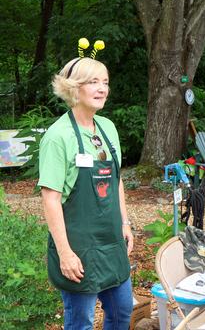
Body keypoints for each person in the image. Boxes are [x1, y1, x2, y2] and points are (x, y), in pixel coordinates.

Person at [39, 52, 134, 329]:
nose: (102, 88)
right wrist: (65, 252)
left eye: (105, 82)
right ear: (73, 88)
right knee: (82, 322)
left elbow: (116, 179)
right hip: (78, 246)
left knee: (122, 312)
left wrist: (125, 223)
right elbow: (51, 198)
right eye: (93, 81)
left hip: (112, 242)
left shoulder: (108, 127)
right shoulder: (58, 137)